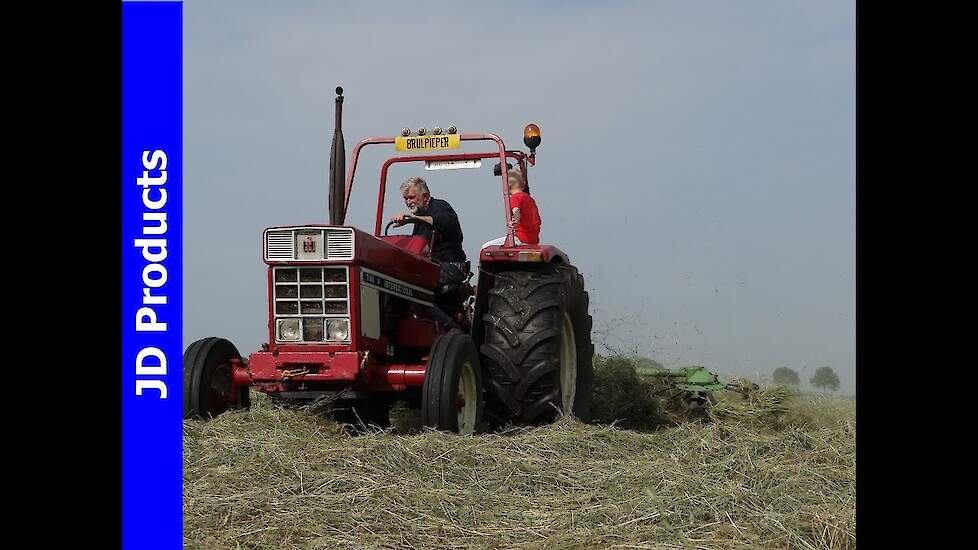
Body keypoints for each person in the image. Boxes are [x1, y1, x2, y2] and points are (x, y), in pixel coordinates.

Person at [391, 176, 468, 329]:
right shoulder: (419, 221)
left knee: (415, 290)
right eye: (405, 198)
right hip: (430, 267)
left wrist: (413, 217)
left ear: (425, 196)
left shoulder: (440, 207)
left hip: (451, 266)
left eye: (412, 197)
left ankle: (452, 327)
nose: (408, 202)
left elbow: (444, 221)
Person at [480, 169, 541, 249]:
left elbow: (516, 211)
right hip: (533, 240)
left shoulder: (515, 198)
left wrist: (515, 221)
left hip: (520, 238)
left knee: (485, 247)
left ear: (508, 185)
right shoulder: (529, 198)